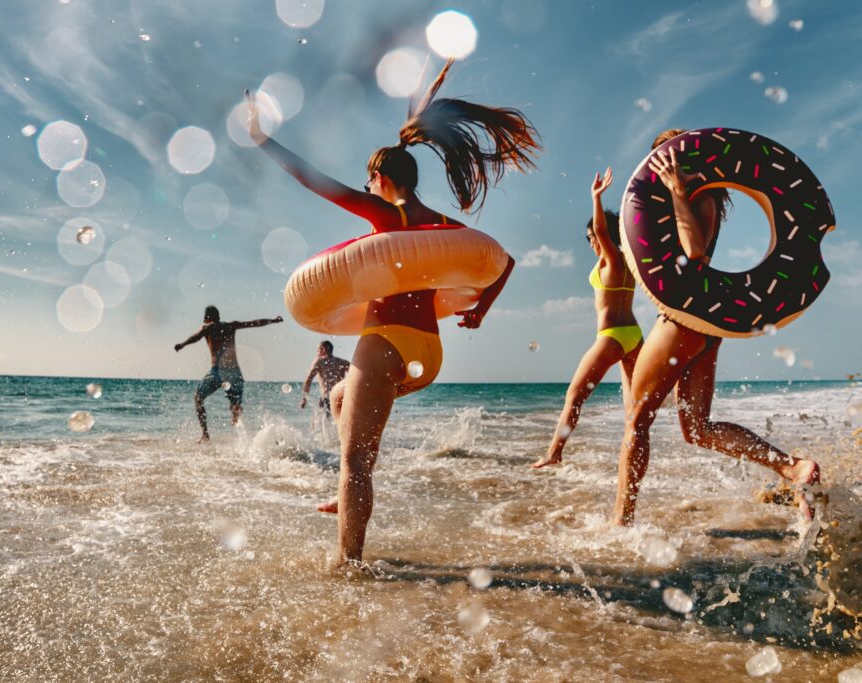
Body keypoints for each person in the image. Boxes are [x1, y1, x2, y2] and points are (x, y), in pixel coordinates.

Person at [246, 59, 533, 566]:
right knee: (339, 397)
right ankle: (346, 493)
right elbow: (504, 261)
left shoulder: (389, 214)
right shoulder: (442, 222)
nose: (367, 188)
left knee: (357, 462)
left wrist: (262, 138)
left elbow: (314, 180)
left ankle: (347, 564)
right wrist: (480, 312)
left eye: (368, 182)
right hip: (427, 352)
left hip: (385, 343)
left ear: (378, 178)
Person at [612, 129, 820, 526]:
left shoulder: (695, 199)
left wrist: (675, 191)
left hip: (682, 321)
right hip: (705, 325)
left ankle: (621, 523)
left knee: (637, 421)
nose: (661, 171)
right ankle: (792, 467)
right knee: (698, 430)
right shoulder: (700, 200)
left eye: (666, 162)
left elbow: (694, 254)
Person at [533, 168, 642, 468]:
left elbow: (603, 231)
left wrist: (596, 198)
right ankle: (632, 460)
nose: (590, 242)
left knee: (574, 396)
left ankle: (554, 453)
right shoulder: (630, 261)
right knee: (633, 413)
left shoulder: (612, 258)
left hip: (612, 337)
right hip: (634, 336)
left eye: (589, 237)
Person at [173, 305, 283, 442]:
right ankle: (237, 419)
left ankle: (205, 434)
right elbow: (255, 323)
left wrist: (182, 344)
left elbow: (195, 338)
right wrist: (273, 320)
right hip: (235, 373)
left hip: (218, 371)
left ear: (206, 318)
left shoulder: (207, 328)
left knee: (198, 397)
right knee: (234, 405)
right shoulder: (231, 326)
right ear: (218, 317)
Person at [300, 341, 350, 415]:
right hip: (341, 398)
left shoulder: (319, 361)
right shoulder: (342, 362)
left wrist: (304, 398)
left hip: (326, 398)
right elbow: (356, 376)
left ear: (324, 349)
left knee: (318, 423)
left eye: (319, 349)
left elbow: (309, 379)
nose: (317, 352)